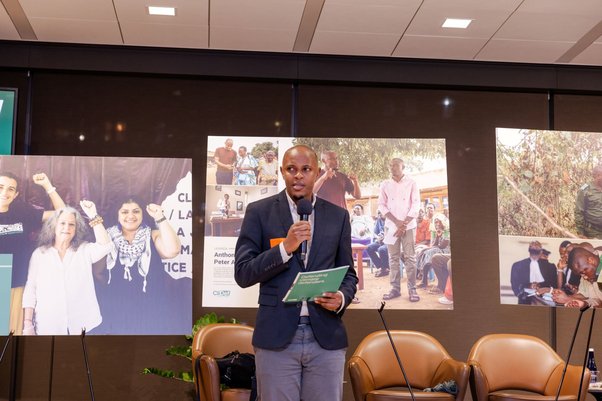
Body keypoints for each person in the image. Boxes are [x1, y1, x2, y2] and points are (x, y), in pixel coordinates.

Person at [234, 144, 358, 401]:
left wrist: (342, 298)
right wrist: (285, 248)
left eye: (305, 169)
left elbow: (349, 274)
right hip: (276, 337)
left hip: (325, 336)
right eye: (291, 169)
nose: (298, 175)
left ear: (317, 172)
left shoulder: (338, 216)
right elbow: (243, 273)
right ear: (282, 172)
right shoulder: (259, 212)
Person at [22, 201, 112, 335]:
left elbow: (106, 246)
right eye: (62, 223)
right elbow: (31, 289)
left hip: (85, 324)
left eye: (72, 224)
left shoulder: (84, 249)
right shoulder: (39, 254)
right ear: (53, 226)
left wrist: (93, 215)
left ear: (76, 229)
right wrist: (28, 324)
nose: (67, 227)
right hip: (49, 326)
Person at [96, 196, 182, 334]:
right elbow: (97, 272)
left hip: (151, 308)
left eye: (136, 211)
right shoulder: (107, 236)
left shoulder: (153, 235)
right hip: (116, 309)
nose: (130, 215)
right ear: (117, 215)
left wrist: (160, 217)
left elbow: (173, 250)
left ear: (143, 214)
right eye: (124, 212)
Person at [0, 171, 65, 335]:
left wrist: (47, 186)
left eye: (10, 189)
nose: (4, 193)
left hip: (15, 283)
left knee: (9, 336)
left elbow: (63, 214)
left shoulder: (23, 212)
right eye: (0, 187)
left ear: (16, 195)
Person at [378, 158, 421, 302]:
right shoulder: (385, 184)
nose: (393, 167)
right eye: (390, 165)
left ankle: (412, 290)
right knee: (393, 258)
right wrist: (397, 222)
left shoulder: (411, 183)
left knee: (410, 257)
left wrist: (404, 223)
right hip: (391, 226)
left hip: (408, 226)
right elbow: (382, 206)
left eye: (396, 165)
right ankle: (395, 289)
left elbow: (416, 204)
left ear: (403, 166)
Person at [510, 240, 557, 305]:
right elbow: (515, 285)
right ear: (529, 250)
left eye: (537, 245)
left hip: (546, 298)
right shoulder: (518, 266)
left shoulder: (550, 267)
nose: (535, 245)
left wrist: (540, 286)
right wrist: (529, 286)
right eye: (532, 245)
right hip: (525, 299)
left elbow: (554, 285)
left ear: (541, 251)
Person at [575, 164, 602, 239]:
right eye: (599, 175)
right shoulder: (585, 190)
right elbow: (579, 211)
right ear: (595, 176)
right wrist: (580, 232)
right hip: (592, 231)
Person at [367, 210, 390, 277]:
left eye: (381, 212)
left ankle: (384, 269)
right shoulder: (379, 220)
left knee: (381, 249)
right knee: (369, 248)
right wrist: (378, 238)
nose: (379, 214)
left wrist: (384, 237)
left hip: (389, 242)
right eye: (378, 213)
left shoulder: (390, 220)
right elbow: (375, 233)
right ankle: (381, 267)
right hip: (380, 241)